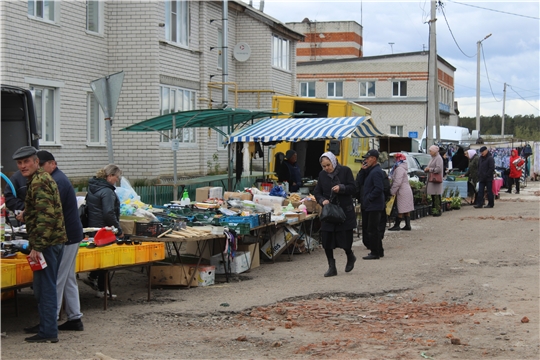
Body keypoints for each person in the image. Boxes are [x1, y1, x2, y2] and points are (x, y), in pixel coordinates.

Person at [12, 146, 67, 343]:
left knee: (45, 288)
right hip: (49, 242)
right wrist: (27, 213)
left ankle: (48, 331)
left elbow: (47, 217)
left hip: (47, 244)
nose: (23, 166)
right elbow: (43, 207)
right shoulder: (39, 180)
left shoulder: (39, 182)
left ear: (36, 162)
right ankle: (47, 328)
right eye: (20, 163)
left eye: (26, 162)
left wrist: (38, 246)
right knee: (43, 286)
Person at [37, 150, 84, 331]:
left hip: (66, 236)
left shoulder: (56, 182)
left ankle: (50, 320)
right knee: (68, 277)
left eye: (42, 165)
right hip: (71, 234)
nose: (39, 169)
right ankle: (74, 317)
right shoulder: (58, 179)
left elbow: (52, 213)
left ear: (52, 164)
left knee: (56, 278)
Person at [83, 165, 124, 298]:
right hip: (104, 229)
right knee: (105, 260)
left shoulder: (93, 188)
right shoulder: (107, 192)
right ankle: (102, 290)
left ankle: (92, 277)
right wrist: (118, 229)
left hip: (93, 228)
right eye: (116, 177)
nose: (116, 181)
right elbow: (108, 213)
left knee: (98, 258)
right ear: (110, 176)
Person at [313, 152, 357, 276]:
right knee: (326, 239)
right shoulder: (322, 175)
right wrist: (322, 200)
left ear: (334, 161)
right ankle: (332, 267)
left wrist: (341, 188)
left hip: (344, 212)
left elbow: (353, 188)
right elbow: (317, 192)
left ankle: (350, 255)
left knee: (345, 240)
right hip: (329, 213)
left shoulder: (345, 171)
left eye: (328, 165)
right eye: (324, 166)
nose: (327, 168)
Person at [358, 149, 385, 260]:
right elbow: (360, 182)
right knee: (373, 228)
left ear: (374, 159)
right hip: (372, 204)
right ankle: (379, 250)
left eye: (368, 158)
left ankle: (375, 252)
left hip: (374, 205)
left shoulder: (376, 171)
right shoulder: (371, 170)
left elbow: (379, 188)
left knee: (372, 229)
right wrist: (363, 170)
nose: (366, 160)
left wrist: (369, 198)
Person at [388, 153, 414, 231]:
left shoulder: (399, 169)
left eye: (394, 158)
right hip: (405, 190)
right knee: (405, 208)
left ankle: (397, 225)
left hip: (402, 191)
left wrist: (392, 191)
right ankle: (407, 225)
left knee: (401, 208)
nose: (393, 160)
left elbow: (397, 182)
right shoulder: (401, 168)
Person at [424, 145, 444, 216]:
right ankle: (434, 209)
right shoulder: (433, 158)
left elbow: (438, 169)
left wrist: (430, 169)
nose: (429, 152)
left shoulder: (438, 158)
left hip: (436, 180)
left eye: (430, 151)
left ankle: (438, 210)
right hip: (432, 179)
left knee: (436, 195)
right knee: (433, 195)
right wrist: (427, 169)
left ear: (435, 151)